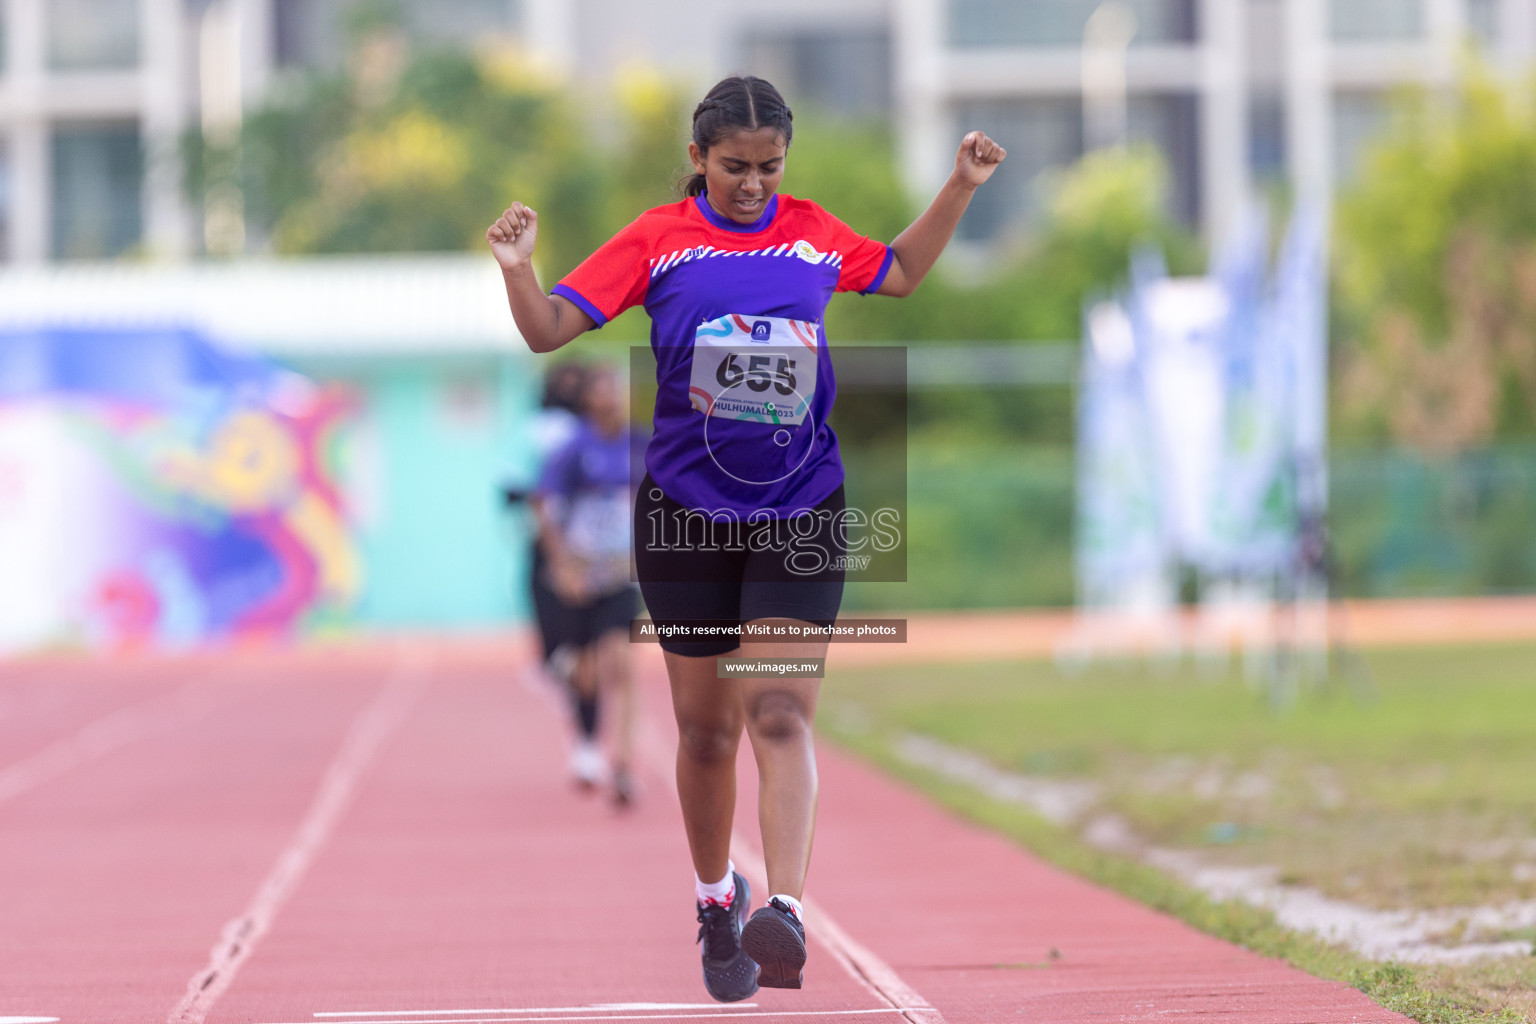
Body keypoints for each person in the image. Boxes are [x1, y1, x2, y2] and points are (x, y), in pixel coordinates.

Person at [486, 74, 1005, 1002]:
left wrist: (959, 187)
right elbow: (547, 332)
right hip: (685, 513)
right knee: (705, 731)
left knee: (777, 711)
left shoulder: (810, 228)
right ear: (697, 158)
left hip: (800, 505)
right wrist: (520, 269)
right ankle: (714, 897)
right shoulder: (658, 240)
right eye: (735, 167)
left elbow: (900, 270)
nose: (755, 184)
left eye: (770, 167)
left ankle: (787, 911)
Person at [530, 364, 645, 805]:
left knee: (623, 663)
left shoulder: (641, 443)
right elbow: (544, 504)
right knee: (586, 670)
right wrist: (561, 566)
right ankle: (586, 740)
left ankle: (624, 765)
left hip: (621, 572)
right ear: (588, 401)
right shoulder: (574, 448)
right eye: (602, 389)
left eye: (616, 387)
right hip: (581, 571)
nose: (611, 397)